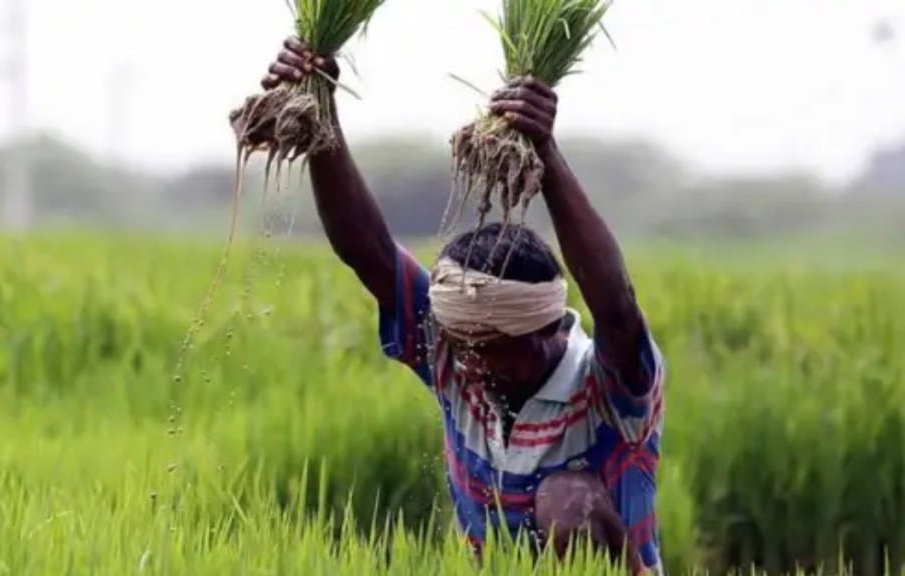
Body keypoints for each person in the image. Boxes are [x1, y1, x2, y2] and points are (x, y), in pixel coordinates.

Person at [259, 37, 667, 575]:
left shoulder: (609, 387)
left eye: (492, 350)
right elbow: (369, 252)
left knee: (565, 501)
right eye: (462, 346)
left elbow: (616, 305)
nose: (470, 364)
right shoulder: (454, 351)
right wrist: (321, 112)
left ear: (546, 332)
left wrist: (544, 149)